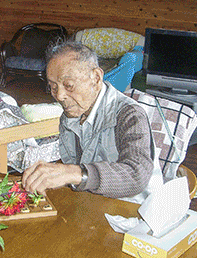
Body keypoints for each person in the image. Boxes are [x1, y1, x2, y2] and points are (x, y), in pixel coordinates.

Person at [22, 41, 163, 203]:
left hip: (137, 211)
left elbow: (136, 175)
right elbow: (75, 167)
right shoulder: (71, 115)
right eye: (53, 86)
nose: (59, 95)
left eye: (68, 85)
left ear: (96, 78)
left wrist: (74, 173)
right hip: (96, 205)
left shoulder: (129, 114)